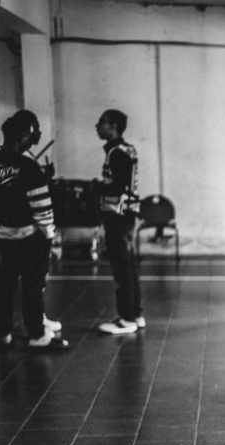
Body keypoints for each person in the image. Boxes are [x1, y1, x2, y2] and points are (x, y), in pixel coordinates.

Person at [0, 112, 67, 351]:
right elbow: (41, 207)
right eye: (32, 133)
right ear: (23, 135)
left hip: (2, 235)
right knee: (32, 286)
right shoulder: (28, 166)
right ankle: (37, 335)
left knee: (4, 284)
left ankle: (3, 333)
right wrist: (49, 233)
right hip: (30, 236)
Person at [94, 108, 144, 335]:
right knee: (129, 266)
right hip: (128, 214)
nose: (98, 126)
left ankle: (127, 318)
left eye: (102, 122)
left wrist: (96, 187)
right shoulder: (127, 149)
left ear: (113, 127)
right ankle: (136, 313)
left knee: (121, 267)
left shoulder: (117, 152)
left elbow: (118, 186)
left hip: (118, 215)